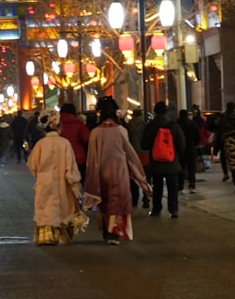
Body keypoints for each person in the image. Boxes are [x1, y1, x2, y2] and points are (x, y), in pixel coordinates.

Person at [84, 97, 152, 244]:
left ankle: (106, 230)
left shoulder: (95, 132)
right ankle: (114, 232)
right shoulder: (121, 130)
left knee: (106, 200)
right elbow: (130, 153)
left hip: (102, 169)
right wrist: (138, 173)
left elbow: (92, 155)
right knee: (118, 200)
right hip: (119, 170)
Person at [26, 110, 83, 245]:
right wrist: (75, 185)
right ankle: (60, 235)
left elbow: (32, 164)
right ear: (58, 126)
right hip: (61, 183)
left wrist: (40, 175)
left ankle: (45, 236)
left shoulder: (40, 144)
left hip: (44, 182)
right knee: (62, 209)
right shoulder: (64, 143)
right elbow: (71, 167)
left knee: (45, 208)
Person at [141, 101, 185, 218]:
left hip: (156, 163)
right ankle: (173, 210)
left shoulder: (150, 126)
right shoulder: (174, 126)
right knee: (172, 187)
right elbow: (181, 144)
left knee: (157, 186)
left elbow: (144, 145)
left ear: (155, 112)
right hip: (171, 162)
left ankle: (156, 209)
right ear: (166, 112)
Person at [59, 102, 91, 183]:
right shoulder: (78, 124)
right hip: (78, 159)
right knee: (79, 183)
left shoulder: (57, 125)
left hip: (61, 159)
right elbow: (87, 138)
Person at [126, 108, 151, 209]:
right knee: (145, 178)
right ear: (140, 115)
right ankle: (146, 199)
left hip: (132, 155)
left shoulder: (127, 127)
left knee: (133, 178)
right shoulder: (145, 126)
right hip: (144, 154)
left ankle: (134, 199)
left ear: (133, 115)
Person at [177, 108, 201, 194]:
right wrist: (195, 143)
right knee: (191, 168)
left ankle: (180, 186)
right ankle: (192, 185)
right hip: (191, 149)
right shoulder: (192, 124)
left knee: (180, 168)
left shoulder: (176, 124)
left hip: (180, 150)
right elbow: (198, 136)